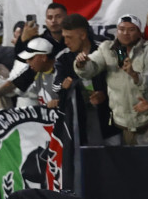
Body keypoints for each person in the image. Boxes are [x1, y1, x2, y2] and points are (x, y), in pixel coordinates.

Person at [74, 14, 148, 145]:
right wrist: (82, 65)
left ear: (139, 32)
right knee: (127, 164)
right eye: (121, 29)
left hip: (145, 122)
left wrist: (135, 75)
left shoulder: (146, 50)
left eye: (131, 30)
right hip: (121, 124)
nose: (125, 33)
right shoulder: (107, 48)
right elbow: (92, 67)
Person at [55, 14, 119, 145]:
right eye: (64, 37)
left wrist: (105, 94)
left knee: (116, 155)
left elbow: (120, 78)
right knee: (86, 158)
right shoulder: (63, 57)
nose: (65, 41)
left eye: (69, 37)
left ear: (82, 35)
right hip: (79, 117)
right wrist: (64, 85)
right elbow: (55, 85)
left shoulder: (106, 48)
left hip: (111, 116)